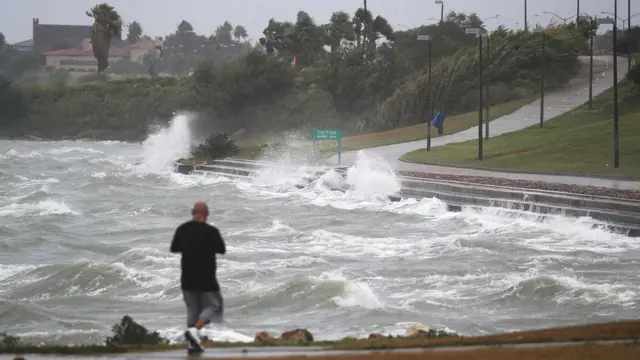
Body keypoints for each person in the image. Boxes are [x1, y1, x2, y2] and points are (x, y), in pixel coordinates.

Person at [170, 201, 226, 355]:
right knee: (214, 305)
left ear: (192, 212)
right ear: (206, 214)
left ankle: (193, 345)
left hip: (187, 276)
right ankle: (195, 330)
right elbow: (221, 249)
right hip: (206, 277)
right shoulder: (211, 231)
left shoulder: (182, 229)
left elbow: (174, 248)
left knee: (192, 309)